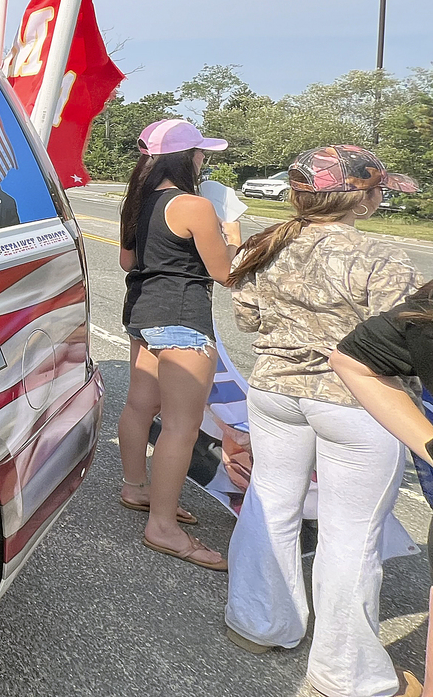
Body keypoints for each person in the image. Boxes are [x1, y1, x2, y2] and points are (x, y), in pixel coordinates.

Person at [223, 145, 421, 697]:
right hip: (358, 403)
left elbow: (247, 318)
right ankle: (345, 674)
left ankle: (258, 621)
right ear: (360, 196)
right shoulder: (382, 261)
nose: (382, 197)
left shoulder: (265, 246)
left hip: (274, 391)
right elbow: (409, 343)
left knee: (272, 505)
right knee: (350, 536)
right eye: (379, 189)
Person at [117, 119, 240, 571]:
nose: (204, 159)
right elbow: (224, 272)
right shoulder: (194, 206)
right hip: (184, 319)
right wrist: (232, 232)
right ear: (187, 157)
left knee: (138, 405)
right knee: (181, 427)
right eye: (201, 152)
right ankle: (163, 527)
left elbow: (127, 260)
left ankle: (136, 487)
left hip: (142, 314)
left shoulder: (138, 201)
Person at [333, 280, 433, 697]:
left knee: (341, 533)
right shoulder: (380, 262)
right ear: (362, 206)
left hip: (284, 390)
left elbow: (248, 313)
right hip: (341, 409)